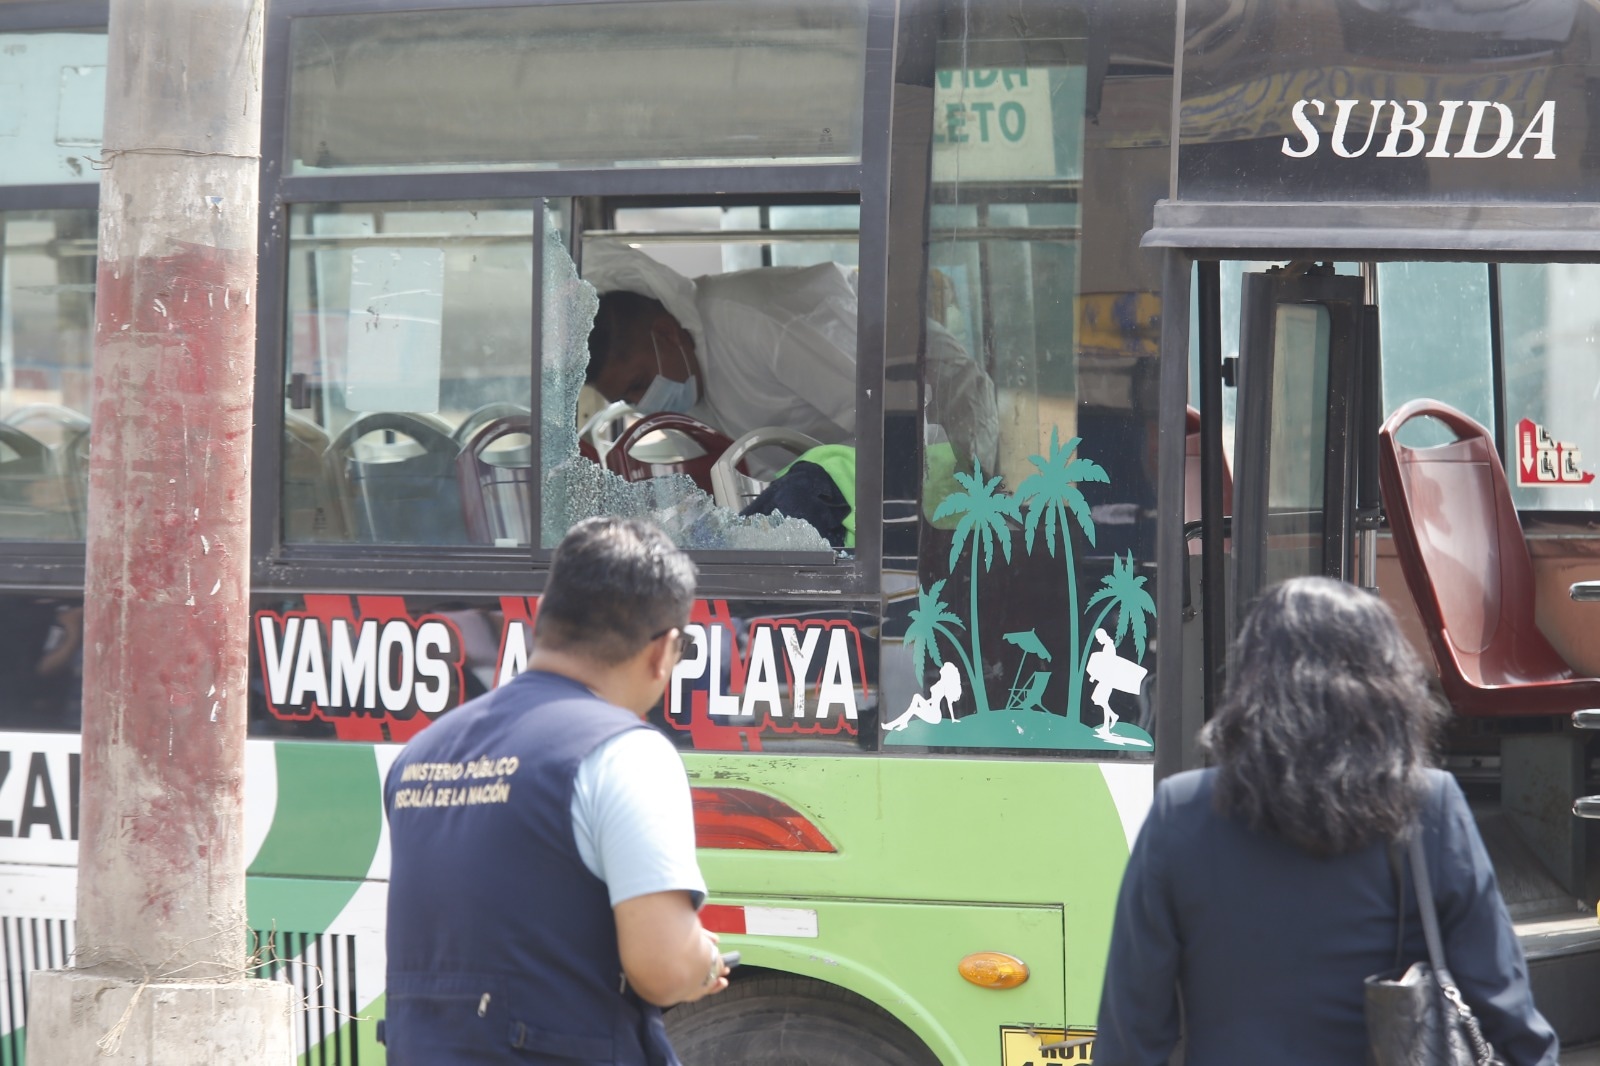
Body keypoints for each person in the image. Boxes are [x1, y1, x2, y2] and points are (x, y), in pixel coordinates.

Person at [1094, 576, 1558, 1066]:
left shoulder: (1180, 811)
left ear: (1251, 680)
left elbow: (1131, 1029)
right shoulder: (1427, 805)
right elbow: (1507, 1011)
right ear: (1386, 685)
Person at [381, 516, 729, 1065]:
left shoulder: (420, 755)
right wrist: (705, 963)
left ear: (545, 618)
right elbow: (663, 968)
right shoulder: (624, 752)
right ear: (663, 651)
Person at [582, 242, 998, 475]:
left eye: (639, 383)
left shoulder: (760, 323)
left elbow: (898, 423)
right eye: (629, 399)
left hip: (941, 414)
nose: (644, 404)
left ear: (666, 333)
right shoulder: (693, 384)